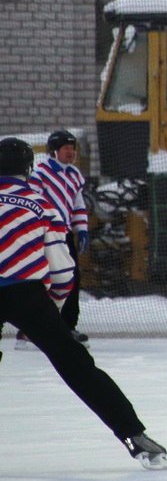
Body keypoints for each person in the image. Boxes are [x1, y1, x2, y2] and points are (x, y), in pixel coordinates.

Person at [0, 137, 167, 469]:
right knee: (77, 366)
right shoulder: (42, 205)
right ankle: (135, 437)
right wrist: (52, 310)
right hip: (27, 294)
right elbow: (63, 271)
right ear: (28, 169)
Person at [27, 129, 90, 346]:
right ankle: (32, 329)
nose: (71, 152)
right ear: (54, 150)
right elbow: (32, 202)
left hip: (65, 235)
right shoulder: (40, 173)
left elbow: (78, 204)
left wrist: (82, 229)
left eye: (73, 148)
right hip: (45, 235)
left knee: (72, 278)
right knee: (44, 281)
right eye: (66, 148)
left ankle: (68, 327)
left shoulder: (74, 175)